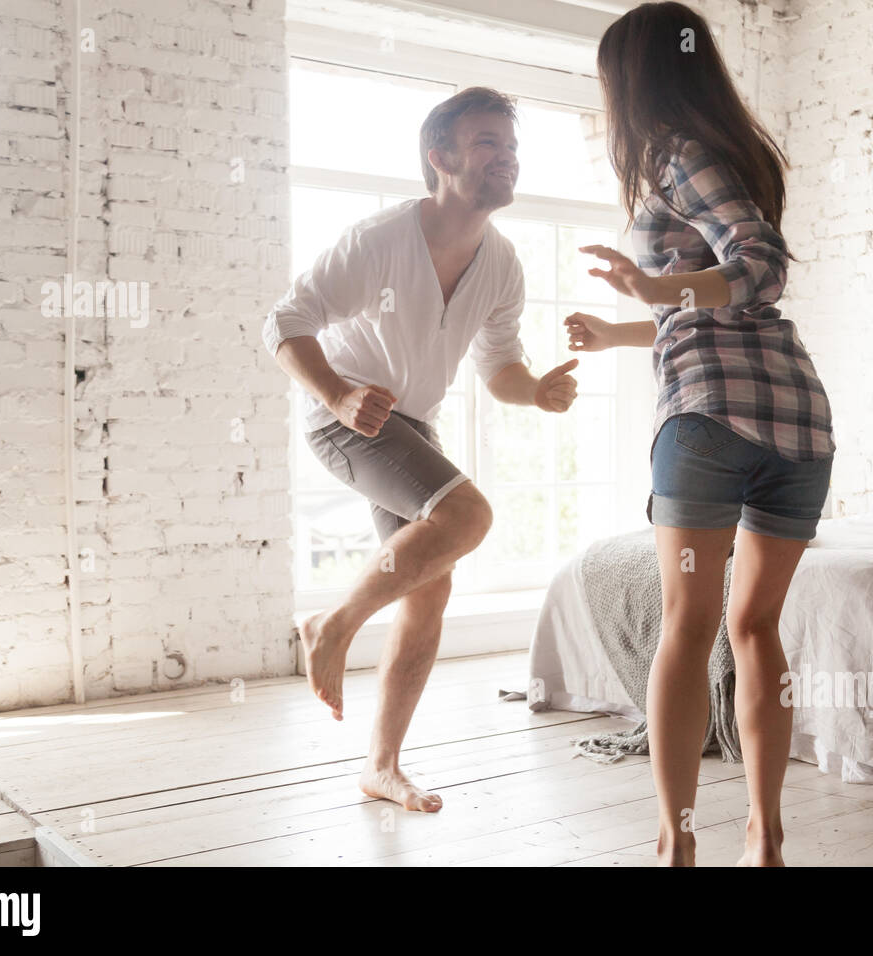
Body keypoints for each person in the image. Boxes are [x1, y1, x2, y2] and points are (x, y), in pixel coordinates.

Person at [564, 2, 835, 866]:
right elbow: (713, 307)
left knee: (687, 626)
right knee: (755, 627)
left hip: (709, 421)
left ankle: (676, 845)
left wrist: (648, 291)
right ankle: (765, 837)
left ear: (633, 80)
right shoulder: (739, 155)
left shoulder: (674, 153)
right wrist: (622, 329)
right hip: (795, 424)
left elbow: (758, 270)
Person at [263, 87, 579, 812]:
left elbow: (500, 370)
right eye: (487, 144)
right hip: (344, 418)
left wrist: (538, 393)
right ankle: (333, 623)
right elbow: (283, 322)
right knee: (469, 517)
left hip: (412, 426)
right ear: (439, 158)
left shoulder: (501, 264)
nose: (507, 159)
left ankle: (382, 766)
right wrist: (338, 394)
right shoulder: (379, 240)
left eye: (512, 147)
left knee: (431, 586)